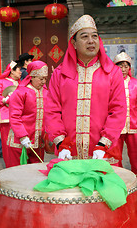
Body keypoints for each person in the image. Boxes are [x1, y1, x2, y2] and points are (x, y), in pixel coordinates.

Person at [45, 15, 127, 161]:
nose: (91, 41)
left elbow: (118, 110)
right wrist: (60, 142)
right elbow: (51, 110)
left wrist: (103, 143)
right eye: (85, 36)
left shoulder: (113, 73)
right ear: (74, 44)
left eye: (94, 36)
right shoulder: (60, 73)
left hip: (103, 153)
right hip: (68, 152)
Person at [7, 60, 48, 167]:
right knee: (18, 172)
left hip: (38, 142)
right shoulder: (21, 92)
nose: (43, 81)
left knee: (36, 172)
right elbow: (14, 116)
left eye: (45, 78)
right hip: (20, 141)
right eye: (41, 79)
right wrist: (22, 136)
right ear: (32, 77)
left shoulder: (46, 92)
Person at [113, 52, 137, 174]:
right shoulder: (111, 84)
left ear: (129, 68)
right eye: (120, 66)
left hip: (134, 126)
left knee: (136, 155)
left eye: (125, 66)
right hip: (116, 127)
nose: (123, 69)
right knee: (114, 156)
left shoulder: (135, 84)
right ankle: (119, 179)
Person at [0, 61, 22, 167]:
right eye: (19, 69)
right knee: (8, 144)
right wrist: (5, 100)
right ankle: (10, 167)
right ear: (11, 71)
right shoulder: (1, 82)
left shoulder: (21, 83)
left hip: (20, 117)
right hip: (6, 118)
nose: (21, 72)